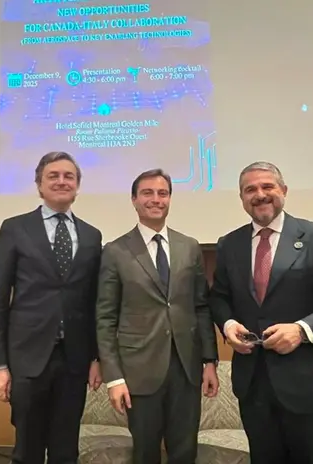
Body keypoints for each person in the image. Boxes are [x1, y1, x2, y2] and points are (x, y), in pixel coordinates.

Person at [209, 161, 313, 464]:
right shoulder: (229, 244)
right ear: (242, 198)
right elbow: (219, 297)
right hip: (254, 387)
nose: (260, 194)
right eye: (250, 189)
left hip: (309, 386)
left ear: (283, 190)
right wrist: (228, 324)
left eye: (267, 186)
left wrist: (302, 330)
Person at [0, 151, 104, 464]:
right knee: (28, 449)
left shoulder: (92, 236)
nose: (62, 181)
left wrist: (96, 357)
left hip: (74, 358)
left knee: (66, 449)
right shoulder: (15, 229)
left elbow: (94, 302)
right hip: (27, 357)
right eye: (53, 176)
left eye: (69, 176)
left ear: (77, 186)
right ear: (39, 184)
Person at [96, 168, 219, 464]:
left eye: (162, 193)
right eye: (147, 193)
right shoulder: (115, 251)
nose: (156, 199)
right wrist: (114, 378)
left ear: (170, 199)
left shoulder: (189, 246)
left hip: (186, 368)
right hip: (139, 370)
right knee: (145, 453)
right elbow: (105, 318)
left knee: (185, 451)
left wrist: (209, 361)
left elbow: (201, 307)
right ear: (134, 200)